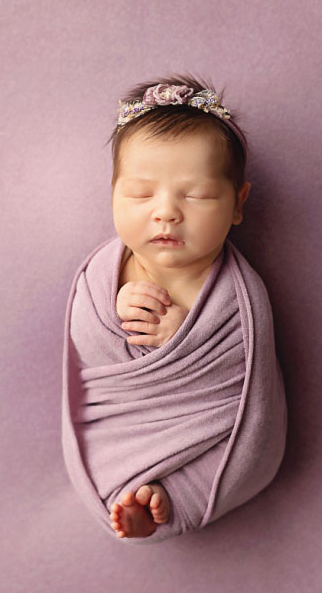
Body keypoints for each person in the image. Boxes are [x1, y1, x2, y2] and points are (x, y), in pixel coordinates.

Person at [70, 75, 255, 539]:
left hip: (201, 424)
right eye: (140, 194)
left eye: (196, 195)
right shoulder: (102, 274)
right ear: (113, 193)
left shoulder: (237, 295)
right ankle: (133, 489)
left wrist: (187, 337)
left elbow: (246, 370)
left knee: (226, 454)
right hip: (122, 421)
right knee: (107, 449)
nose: (167, 212)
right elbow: (87, 341)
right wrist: (113, 310)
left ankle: (165, 497)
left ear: (238, 203)